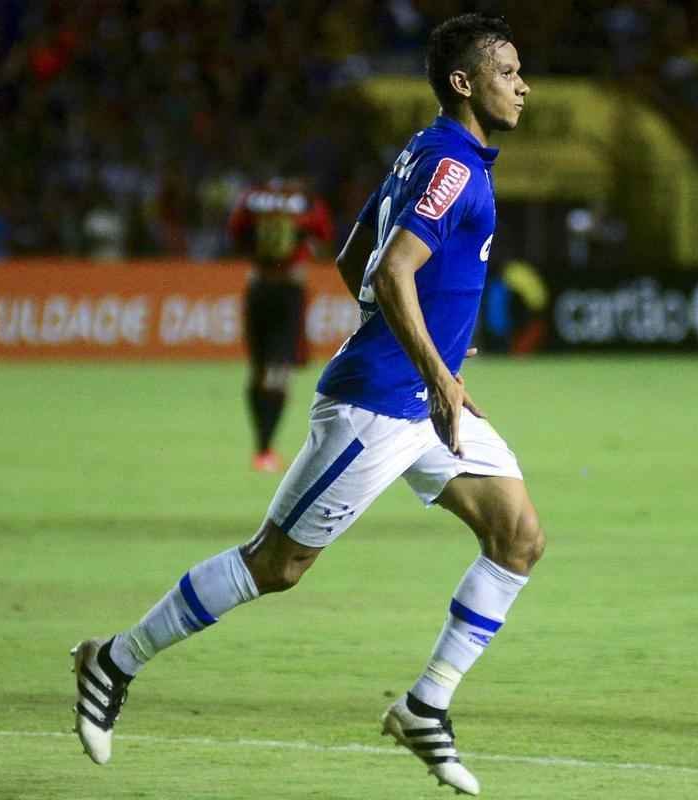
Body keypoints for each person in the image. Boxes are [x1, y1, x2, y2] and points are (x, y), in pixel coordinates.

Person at [71, 14, 540, 796]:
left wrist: (439, 366)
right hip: (380, 408)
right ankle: (111, 659)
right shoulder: (454, 166)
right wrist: (432, 369)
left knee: (517, 535)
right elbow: (388, 274)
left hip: (422, 403)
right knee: (276, 565)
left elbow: (352, 256)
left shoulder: (425, 153)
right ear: (464, 83)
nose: (523, 84)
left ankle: (426, 704)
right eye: (508, 70)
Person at [228, 172, 334, 472]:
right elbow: (324, 237)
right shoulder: (307, 201)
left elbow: (235, 233)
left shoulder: (251, 197)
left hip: (258, 286)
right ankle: (265, 448)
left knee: (258, 370)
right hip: (289, 288)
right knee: (279, 371)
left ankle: (260, 446)